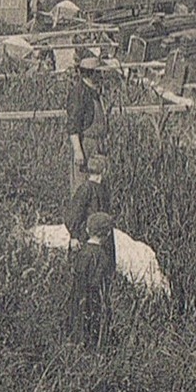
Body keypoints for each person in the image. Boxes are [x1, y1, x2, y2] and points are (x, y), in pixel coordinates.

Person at [72, 211, 118, 345]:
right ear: (108, 234)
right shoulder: (103, 257)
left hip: (77, 296)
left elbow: (76, 273)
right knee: (93, 329)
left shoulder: (82, 252)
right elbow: (99, 280)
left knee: (78, 325)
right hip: (94, 300)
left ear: (87, 230)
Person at [65, 54, 108, 187]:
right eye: (99, 72)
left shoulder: (94, 91)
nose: (101, 76)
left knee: (97, 188)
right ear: (91, 73)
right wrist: (78, 150)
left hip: (98, 145)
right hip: (86, 145)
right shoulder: (79, 92)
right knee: (82, 187)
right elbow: (73, 124)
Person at [66, 154, 113, 245]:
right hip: (86, 238)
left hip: (100, 237)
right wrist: (74, 236)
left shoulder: (95, 189)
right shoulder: (87, 189)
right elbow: (74, 214)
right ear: (104, 171)